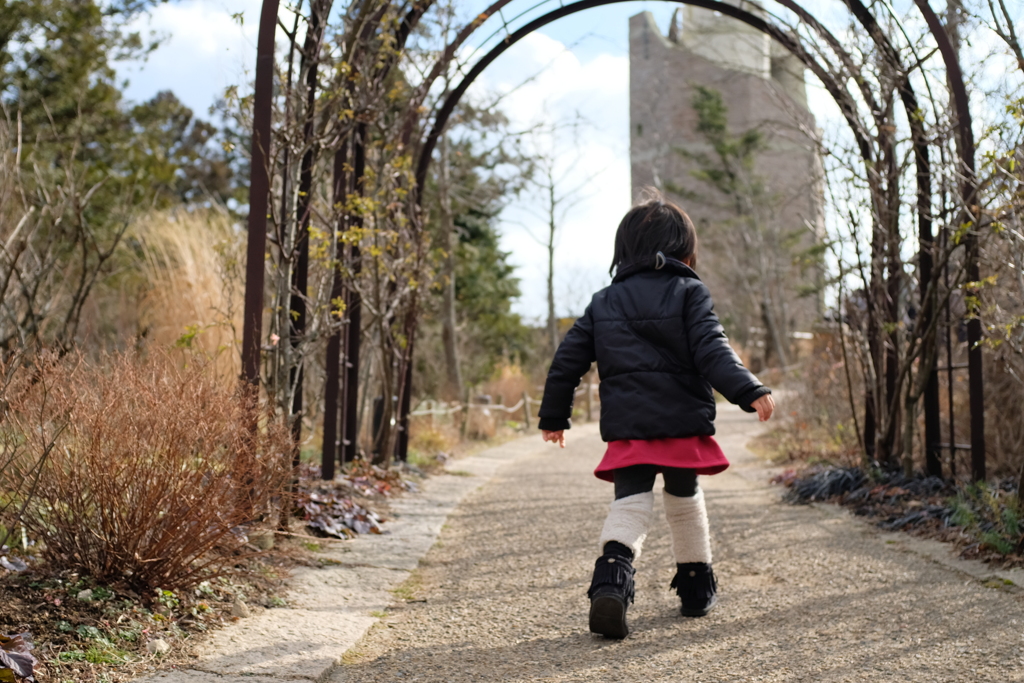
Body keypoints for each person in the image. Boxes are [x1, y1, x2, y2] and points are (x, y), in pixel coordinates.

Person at [537, 192, 775, 639]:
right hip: (682, 424)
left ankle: (611, 580)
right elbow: (712, 349)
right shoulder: (690, 291)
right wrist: (750, 390)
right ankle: (695, 587)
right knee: (684, 503)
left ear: (624, 251)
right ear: (684, 250)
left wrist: (554, 417)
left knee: (630, 504)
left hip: (630, 430)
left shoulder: (604, 300)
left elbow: (566, 361)